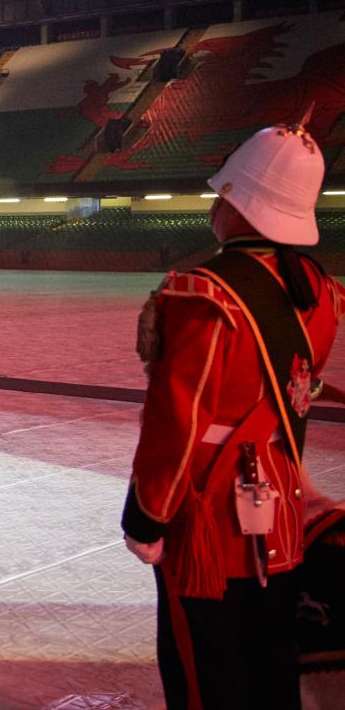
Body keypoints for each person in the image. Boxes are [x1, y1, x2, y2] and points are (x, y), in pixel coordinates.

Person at [123, 119, 344, 709]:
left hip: (209, 527)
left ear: (240, 205)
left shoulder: (203, 291)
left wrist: (145, 519)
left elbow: (178, 420)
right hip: (282, 517)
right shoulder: (322, 292)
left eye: (226, 193)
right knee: (270, 666)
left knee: (205, 679)